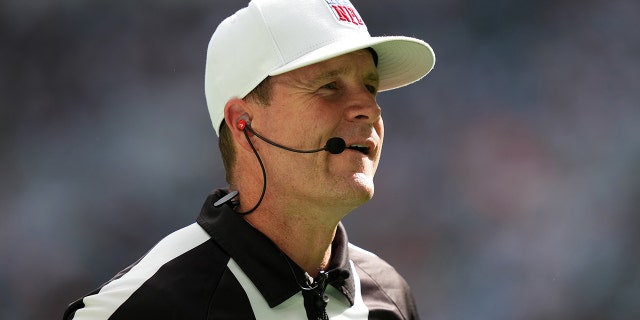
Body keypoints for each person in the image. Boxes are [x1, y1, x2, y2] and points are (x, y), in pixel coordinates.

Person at [63, 0, 435, 319]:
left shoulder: (389, 296)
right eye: (329, 86)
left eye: (370, 87)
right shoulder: (143, 308)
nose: (368, 108)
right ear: (243, 123)